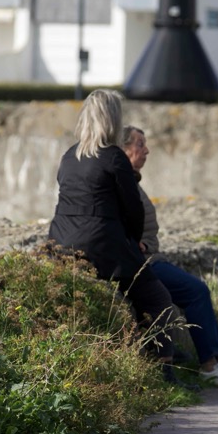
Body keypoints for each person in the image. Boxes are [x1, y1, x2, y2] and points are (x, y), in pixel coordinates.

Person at [48, 90, 180, 383]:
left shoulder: (70, 155)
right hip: (103, 248)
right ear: (113, 120)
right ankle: (164, 372)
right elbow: (134, 211)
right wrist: (133, 242)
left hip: (60, 243)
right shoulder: (113, 157)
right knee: (157, 298)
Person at [122, 125, 218, 388]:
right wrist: (139, 244)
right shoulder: (122, 183)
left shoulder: (131, 181)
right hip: (142, 263)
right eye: (140, 144)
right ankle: (210, 366)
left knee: (198, 290)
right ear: (124, 149)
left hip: (150, 258)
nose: (146, 150)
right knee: (195, 291)